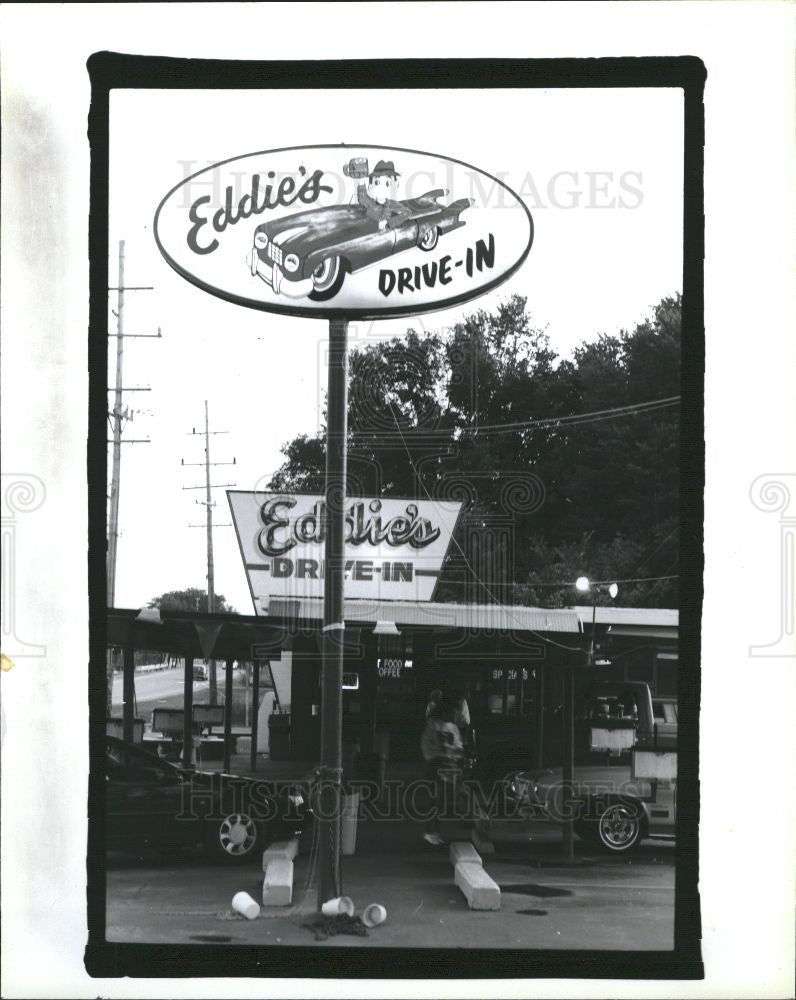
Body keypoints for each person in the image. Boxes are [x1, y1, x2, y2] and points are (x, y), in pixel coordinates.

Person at [420, 696, 464, 846]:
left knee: (441, 800)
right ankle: (431, 830)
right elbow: (427, 746)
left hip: (446, 765)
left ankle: (434, 830)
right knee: (436, 798)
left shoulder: (450, 728)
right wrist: (445, 754)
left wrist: (452, 753)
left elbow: (458, 746)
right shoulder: (434, 726)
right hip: (439, 764)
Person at [356, 159, 412, 232]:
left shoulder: (392, 204)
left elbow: (407, 213)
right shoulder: (370, 203)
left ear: (395, 185)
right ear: (370, 186)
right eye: (377, 183)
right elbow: (362, 198)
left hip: (386, 236)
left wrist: (389, 222)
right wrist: (361, 183)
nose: (382, 188)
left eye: (387, 184)